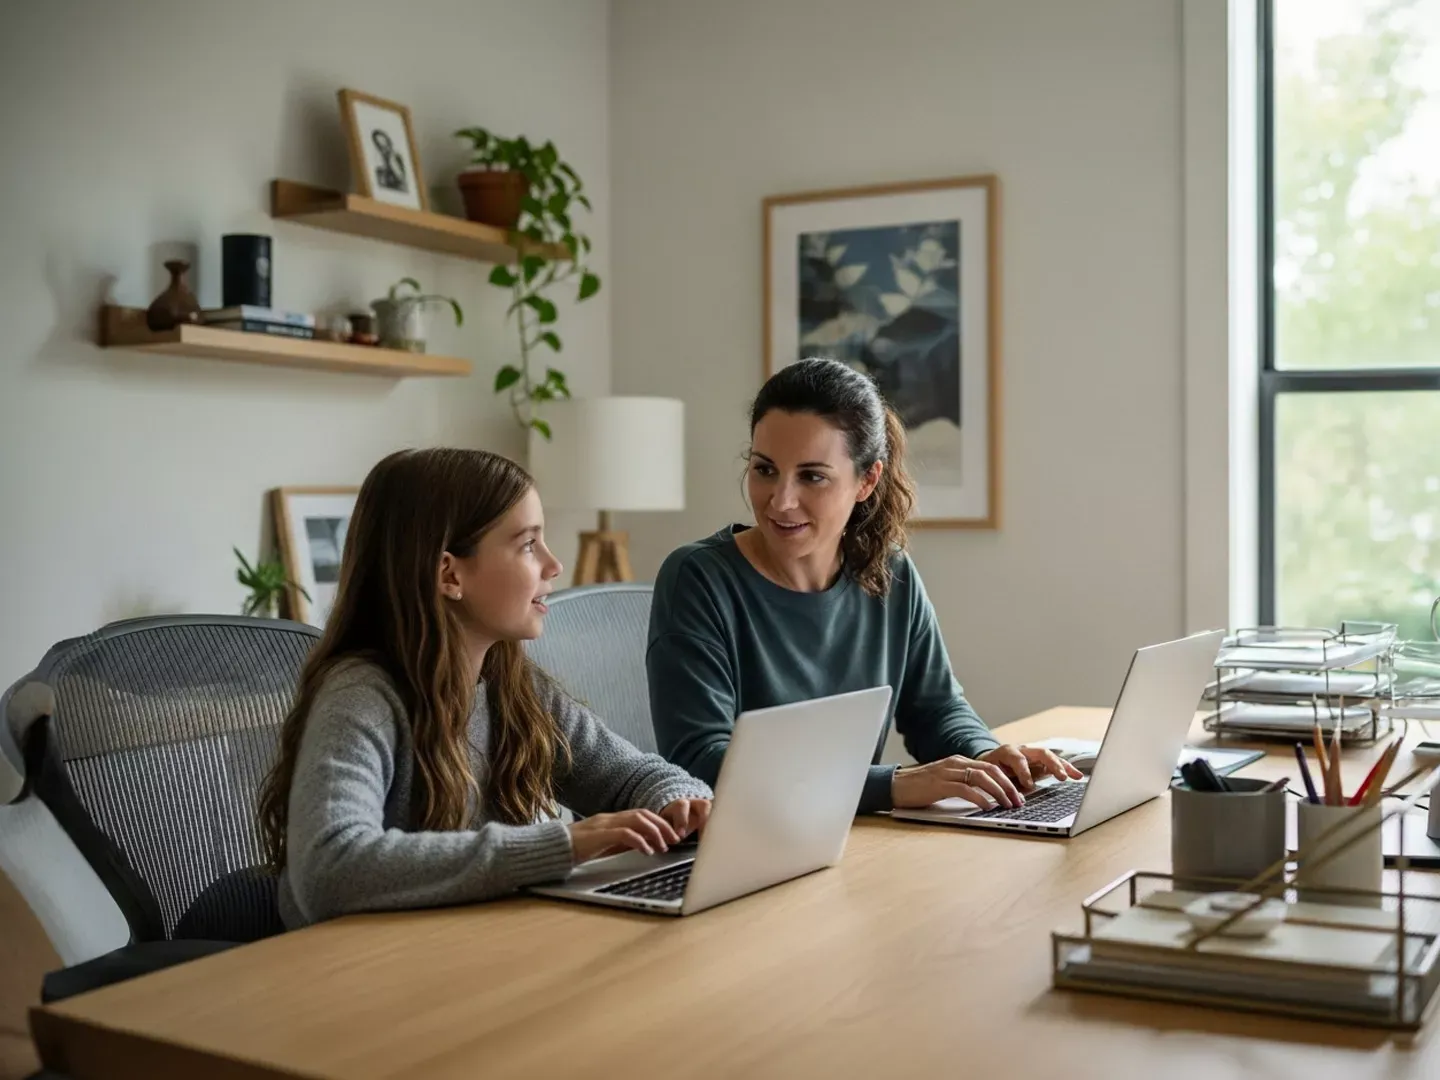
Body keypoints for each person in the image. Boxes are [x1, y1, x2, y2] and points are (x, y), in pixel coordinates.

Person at [257, 448, 712, 929]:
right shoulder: (361, 696)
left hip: (463, 943)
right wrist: (565, 845)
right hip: (358, 971)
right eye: (528, 545)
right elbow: (331, 869)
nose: (554, 565)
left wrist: (680, 803)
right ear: (450, 574)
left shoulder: (510, 682)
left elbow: (627, 775)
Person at [647, 358, 1081, 816]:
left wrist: (983, 755)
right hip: (747, 849)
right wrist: (892, 786)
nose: (781, 500)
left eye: (811, 476)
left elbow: (935, 709)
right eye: (765, 469)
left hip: (848, 839)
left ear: (866, 480)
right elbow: (702, 763)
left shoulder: (890, 571)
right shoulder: (697, 579)